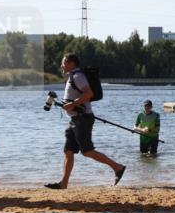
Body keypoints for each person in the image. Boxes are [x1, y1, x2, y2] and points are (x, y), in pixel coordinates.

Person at [45, 54, 126, 189]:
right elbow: (76, 97)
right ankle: (63, 183)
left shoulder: (78, 76)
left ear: (71, 64)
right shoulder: (72, 77)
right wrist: (64, 103)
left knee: (87, 151)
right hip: (74, 119)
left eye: (63, 62)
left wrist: (71, 105)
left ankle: (118, 167)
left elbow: (88, 94)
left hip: (82, 119)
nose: (61, 65)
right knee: (68, 151)